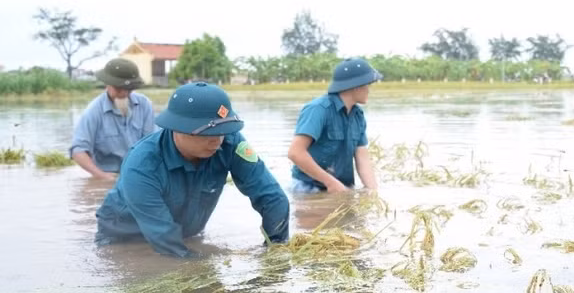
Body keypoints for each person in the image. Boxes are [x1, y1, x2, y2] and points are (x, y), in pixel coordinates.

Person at [95, 81, 290, 258]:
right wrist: (200, 263)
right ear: (177, 129)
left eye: (222, 131)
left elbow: (272, 198)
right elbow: (165, 240)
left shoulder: (230, 142)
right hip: (125, 238)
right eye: (208, 133)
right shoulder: (142, 165)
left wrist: (276, 250)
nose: (217, 140)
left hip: (183, 231)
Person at [288, 57, 381, 194]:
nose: (369, 90)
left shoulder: (358, 115)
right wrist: (330, 182)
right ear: (356, 86)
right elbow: (295, 153)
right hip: (308, 187)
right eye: (367, 85)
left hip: (341, 187)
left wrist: (373, 193)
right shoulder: (318, 109)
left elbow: (363, 159)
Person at [70, 58, 156, 180]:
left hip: (139, 172)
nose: (124, 94)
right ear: (107, 85)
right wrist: (101, 176)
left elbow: (152, 144)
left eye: (129, 89)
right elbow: (78, 151)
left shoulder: (144, 105)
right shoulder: (93, 111)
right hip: (110, 174)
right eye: (118, 89)